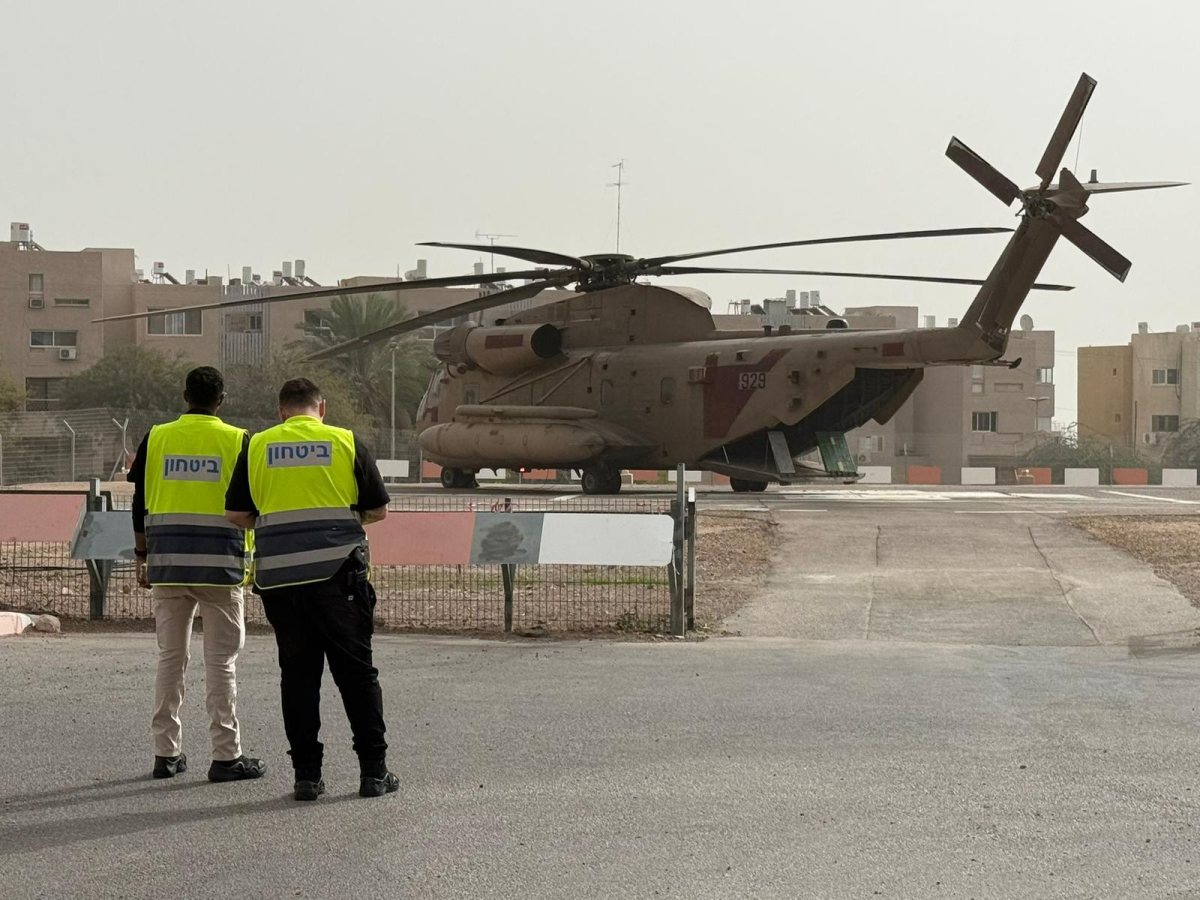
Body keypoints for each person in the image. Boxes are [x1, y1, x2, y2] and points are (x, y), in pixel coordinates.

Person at [224, 377, 396, 801]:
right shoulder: (345, 441)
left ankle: (306, 776)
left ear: (281, 412)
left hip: (281, 582)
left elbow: (237, 514)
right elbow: (377, 509)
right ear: (322, 409)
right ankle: (373, 773)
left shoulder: (258, 445)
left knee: (299, 678)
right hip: (339, 579)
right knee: (357, 675)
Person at [128, 366, 266, 783]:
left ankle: (165, 753)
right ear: (221, 400)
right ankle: (226, 756)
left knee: (171, 658)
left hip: (168, 564)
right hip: (220, 567)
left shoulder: (156, 437)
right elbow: (252, 505)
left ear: (185, 395)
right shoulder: (238, 440)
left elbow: (139, 502)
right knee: (221, 663)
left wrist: (142, 556)